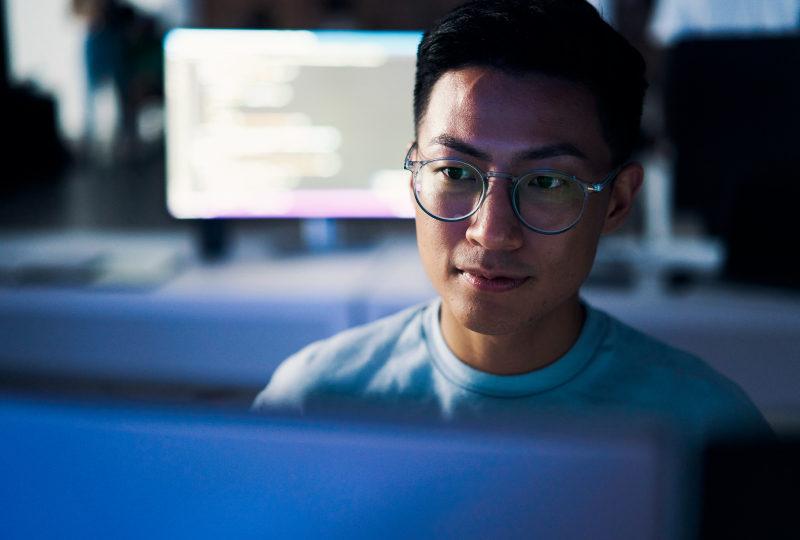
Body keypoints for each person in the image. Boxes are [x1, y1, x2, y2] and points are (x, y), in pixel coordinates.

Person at [253, 0, 771, 441]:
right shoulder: (313, 406)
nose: (491, 231)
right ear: (414, 178)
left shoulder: (706, 431)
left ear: (616, 202)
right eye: (455, 171)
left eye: (547, 182)